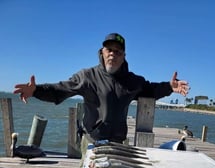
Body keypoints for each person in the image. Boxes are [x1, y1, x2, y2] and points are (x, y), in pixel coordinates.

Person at [13, 33, 190, 144]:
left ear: (123, 57)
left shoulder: (133, 81)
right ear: (102, 53)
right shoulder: (87, 76)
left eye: (118, 51)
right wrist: (36, 91)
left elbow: (150, 90)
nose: (113, 53)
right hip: (92, 141)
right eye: (109, 50)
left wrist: (169, 87)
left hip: (118, 144)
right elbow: (60, 90)